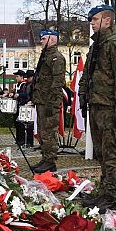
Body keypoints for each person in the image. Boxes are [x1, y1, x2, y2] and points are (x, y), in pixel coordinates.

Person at [78, 4, 116, 213]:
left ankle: (109, 197)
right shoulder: (95, 46)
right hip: (96, 106)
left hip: (110, 108)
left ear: (107, 21)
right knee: (101, 152)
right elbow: (87, 76)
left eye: (95, 19)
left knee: (112, 154)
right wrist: (83, 97)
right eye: (91, 20)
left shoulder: (115, 44)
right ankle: (103, 193)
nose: (91, 23)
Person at [32, 30, 66, 173]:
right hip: (42, 100)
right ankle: (45, 158)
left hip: (49, 102)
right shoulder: (45, 56)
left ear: (52, 39)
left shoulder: (56, 58)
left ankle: (50, 161)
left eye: (44, 38)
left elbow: (57, 82)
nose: (41, 41)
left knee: (49, 132)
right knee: (42, 131)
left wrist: (51, 103)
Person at [15, 69, 35, 147]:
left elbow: (30, 95)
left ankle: (29, 142)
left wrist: (31, 101)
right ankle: (26, 141)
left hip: (31, 105)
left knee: (30, 125)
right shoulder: (27, 84)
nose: (28, 79)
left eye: (29, 77)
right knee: (26, 124)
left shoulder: (32, 85)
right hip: (26, 105)